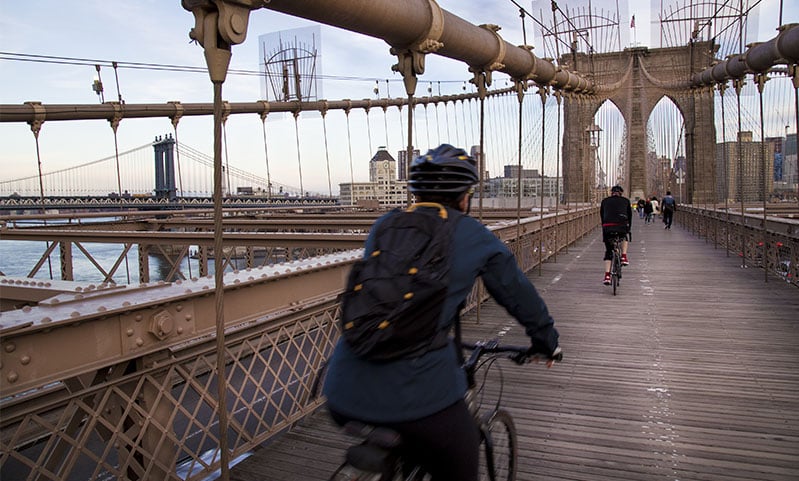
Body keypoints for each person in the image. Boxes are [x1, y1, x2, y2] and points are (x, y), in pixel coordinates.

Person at [322, 144, 561, 481]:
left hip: (341, 388)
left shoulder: (385, 225)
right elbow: (521, 298)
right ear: (465, 196)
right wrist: (546, 341)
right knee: (459, 461)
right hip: (416, 396)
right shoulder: (475, 236)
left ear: (415, 190)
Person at [600, 185, 632, 285]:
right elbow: (629, 217)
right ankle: (623, 256)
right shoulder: (626, 201)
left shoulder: (605, 201)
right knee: (624, 236)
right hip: (621, 226)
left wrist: (604, 228)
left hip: (608, 227)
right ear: (621, 193)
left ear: (611, 193)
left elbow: (602, 216)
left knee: (609, 251)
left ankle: (607, 276)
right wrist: (628, 229)